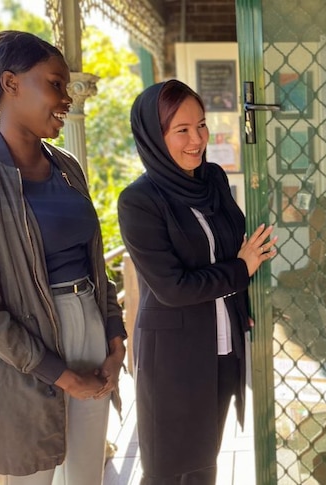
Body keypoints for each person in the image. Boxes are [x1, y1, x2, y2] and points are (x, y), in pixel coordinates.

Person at [0, 31, 126, 484]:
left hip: (91, 332)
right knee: (32, 477)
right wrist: (60, 374)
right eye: (55, 84)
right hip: (22, 355)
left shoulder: (67, 166)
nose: (66, 98)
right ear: (11, 84)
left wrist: (115, 338)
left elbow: (95, 265)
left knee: (85, 476)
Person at [118, 79, 276, 484]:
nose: (197, 140)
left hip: (223, 348)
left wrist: (242, 305)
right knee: (168, 469)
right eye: (182, 130)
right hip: (173, 356)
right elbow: (173, 288)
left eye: (201, 125)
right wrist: (241, 271)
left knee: (205, 463)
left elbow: (230, 248)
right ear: (155, 136)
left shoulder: (214, 180)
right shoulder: (140, 201)